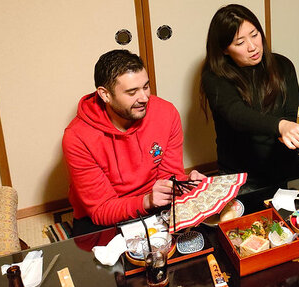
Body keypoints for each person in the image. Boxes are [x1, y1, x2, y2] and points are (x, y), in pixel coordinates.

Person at [62, 49, 205, 236]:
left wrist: (185, 184)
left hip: (156, 204)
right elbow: (100, 211)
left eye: (146, 87)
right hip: (105, 217)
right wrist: (146, 201)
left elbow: (169, 175)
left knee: (203, 237)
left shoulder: (166, 113)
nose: (144, 98)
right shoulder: (77, 137)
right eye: (132, 92)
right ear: (105, 94)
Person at [200, 4, 299, 188]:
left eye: (254, 35)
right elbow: (236, 114)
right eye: (240, 42)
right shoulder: (215, 77)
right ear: (224, 49)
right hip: (241, 178)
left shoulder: (283, 66)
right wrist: (280, 126)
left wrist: (293, 132)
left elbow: (293, 113)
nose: (252, 47)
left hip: (285, 170)